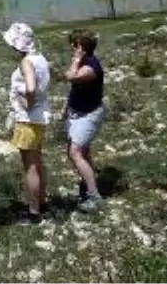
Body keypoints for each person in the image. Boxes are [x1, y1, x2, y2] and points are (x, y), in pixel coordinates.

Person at [2, 21, 51, 224]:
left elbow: (30, 88)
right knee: (38, 162)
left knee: (30, 167)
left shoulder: (26, 62)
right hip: (40, 118)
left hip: (28, 119)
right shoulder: (40, 58)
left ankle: (33, 212)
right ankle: (42, 203)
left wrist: (29, 104)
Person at [63, 29, 107, 213]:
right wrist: (66, 106)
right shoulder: (83, 62)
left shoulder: (91, 67)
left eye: (74, 45)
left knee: (75, 153)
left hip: (89, 115)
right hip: (77, 112)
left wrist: (75, 60)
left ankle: (95, 197)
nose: (71, 48)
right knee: (83, 151)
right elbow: (75, 88)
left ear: (81, 47)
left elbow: (70, 77)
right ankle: (88, 185)